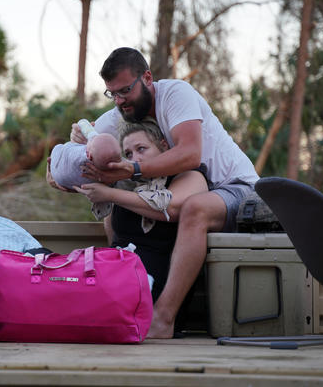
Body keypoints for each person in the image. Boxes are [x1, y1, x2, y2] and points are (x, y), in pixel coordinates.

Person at [56, 47, 259, 338]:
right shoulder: (121, 112)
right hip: (191, 191)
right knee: (120, 207)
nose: (120, 100)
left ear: (147, 78)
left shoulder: (176, 94)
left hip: (236, 190)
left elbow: (190, 153)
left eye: (125, 90)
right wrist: (63, 169)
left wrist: (131, 170)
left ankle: (163, 319)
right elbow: (77, 156)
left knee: (194, 208)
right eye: (112, 93)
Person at [74, 120, 208, 304]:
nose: (134, 158)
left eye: (141, 149)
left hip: (155, 285)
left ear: (164, 146)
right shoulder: (126, 185)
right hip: (114, 273)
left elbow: (170, 208)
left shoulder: (190, 176)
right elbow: (113, 234)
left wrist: (110, 194)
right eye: (128, 154)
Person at [50, 132, 122, 191]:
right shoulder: (102, 176)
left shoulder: (85, 152)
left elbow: (83, 123)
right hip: (64, 180)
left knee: (61, 148)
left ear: (88, 155)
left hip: (58, 164)